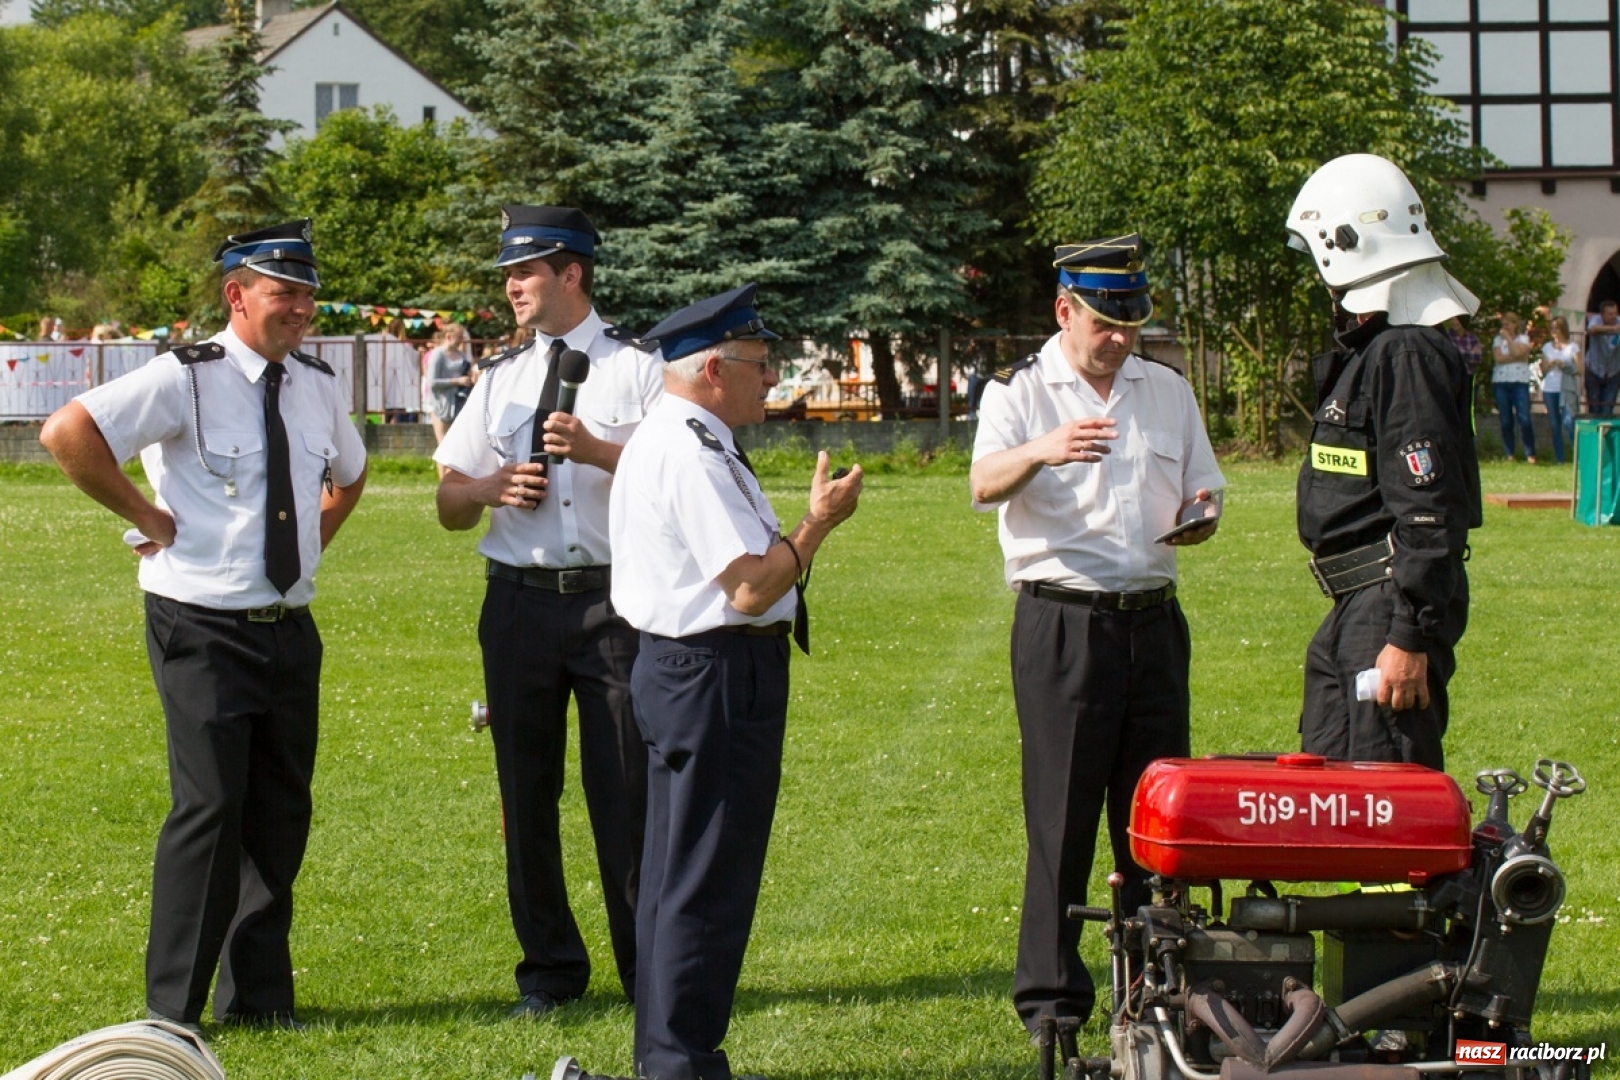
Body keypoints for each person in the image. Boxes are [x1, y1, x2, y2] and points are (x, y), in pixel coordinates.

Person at [37, 219, 368, 1031]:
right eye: (284, 293)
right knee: (211, 810)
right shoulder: (184, 378)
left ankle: (258, 1003)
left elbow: (351, 476)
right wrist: (144, 512)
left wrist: (305, 547)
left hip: (288, 625)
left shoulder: (317, 383)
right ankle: (172, 1010)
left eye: (308, 295)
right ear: (237, 295)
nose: (302, 309)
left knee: (280, 813)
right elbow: (67, 432)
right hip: (201, 624)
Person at [555, 284, 863, 1080]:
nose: (773, 378)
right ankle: (681, 1062)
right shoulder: (688, 450)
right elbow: (751, 586)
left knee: (676, 878)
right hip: (714, 675)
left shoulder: (681, 436)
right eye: (760, 363)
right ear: (714, 370)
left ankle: (669, 1056)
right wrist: (818, 523)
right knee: (705, 886)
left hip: (690, 672)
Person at [968, 236, 1224, 1040]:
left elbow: (1204, 484)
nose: (1120, 338)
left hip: (1154, 621)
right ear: (1064, 311)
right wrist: (1042, 450)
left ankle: (1155, 989)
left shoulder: (1167, 389)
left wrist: (1202, 514)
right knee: (1062, 818)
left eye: (1131, 324)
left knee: (1155, 817)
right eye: (1105, 323)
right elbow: (982, 483)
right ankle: (1052, 1001)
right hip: (1064, 623)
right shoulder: (1019, 390)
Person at [433, 205, 663, 1019]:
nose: (511, 287)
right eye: (508, 274)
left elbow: (680, 474)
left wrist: (597, 449)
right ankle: (549, 973)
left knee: (626, 792)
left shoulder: (639, 367)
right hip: (518, 605)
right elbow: (448, 502)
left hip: (614, 606)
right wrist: (487, 487)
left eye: (524, 272)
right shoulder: (498, 378)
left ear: (571, 273)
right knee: (524, 796)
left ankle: (648, 973)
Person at [1286, 154, 1482, 771]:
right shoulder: (1379, 350)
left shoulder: (1405, 353)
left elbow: (1429, 508)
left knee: (1382, 790)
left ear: (1345, 245)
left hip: (1387, 606)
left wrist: (1408, 634)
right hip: (1359, 604)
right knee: (1332, 787)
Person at [1491, 311, 1536, 462]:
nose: (1505, 327)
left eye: (1508, 324)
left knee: (1525, 419)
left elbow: (1518, 352)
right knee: (1505, 420)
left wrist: (1509, 340)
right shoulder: (1497, 340)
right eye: (1503, 325)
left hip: (1519, 382)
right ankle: (1510, 454)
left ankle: (1530, 453)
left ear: (1515, 324)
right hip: (1501, 382)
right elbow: (1498, 358)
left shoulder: (1523, 338)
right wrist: (1516, 357)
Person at [426, 322, 477, 447]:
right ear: (449, 336)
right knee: (443, 446)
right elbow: (432, 383)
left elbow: (467, 374)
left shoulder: (461, 355)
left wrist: (472, 377)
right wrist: (457, 381)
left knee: (456, 446)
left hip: (458, 404)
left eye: (462, 337)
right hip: (440, 405)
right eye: (459, 337)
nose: (462, 340)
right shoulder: (438, 354)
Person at [1539, 316, 1581, 464]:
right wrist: (1550, 365)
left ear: (1563, 329)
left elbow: (1579, 370)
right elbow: (1543, 370)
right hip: (1550, 389)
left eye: (1557, 328)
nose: (1554, 331)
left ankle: (1579, 456)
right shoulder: (1547, 347)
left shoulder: (1573, 347)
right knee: (1554, 425)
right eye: (1552, 328)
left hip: (1566, 389)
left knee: (1569, 422)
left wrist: (1563, 364)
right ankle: (1560, 459)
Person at [1585, 300, 1620, 416]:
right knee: (1594, 408)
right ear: (1602, 315)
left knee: (1607, 410)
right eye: (1610, 314)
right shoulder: (1596, 320)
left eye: (1615, 313)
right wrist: (1613, 329)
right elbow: (1592, 329)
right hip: (1594, 370)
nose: (1614, 316)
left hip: (1613, 372)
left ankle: (1605, 427)